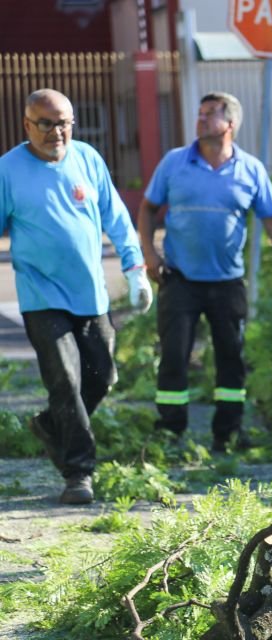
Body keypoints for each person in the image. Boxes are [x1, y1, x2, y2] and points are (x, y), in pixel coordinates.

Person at [0, 89, 153, 505]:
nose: (56, 132)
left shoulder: (87, 159)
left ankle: (52, 426)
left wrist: (135, 269)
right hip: (40, 295)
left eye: (64, 123)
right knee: (65, 380)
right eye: (46, 124)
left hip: (90, 295)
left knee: (101, 377)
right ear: (27, 125)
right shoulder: (9, 171)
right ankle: (78, 473)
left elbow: (117, 217)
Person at [137, 91, 272, 453]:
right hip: (179, 279)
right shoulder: (174, 163)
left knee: (231, 359)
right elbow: (148, 208)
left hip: (227, 283)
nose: (200, 119)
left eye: (210, 114)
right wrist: (150, 255)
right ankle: (170, 432)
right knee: (174, 357)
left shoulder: (250, 169)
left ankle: (228, 433)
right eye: (200, 113)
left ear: (230, 124)